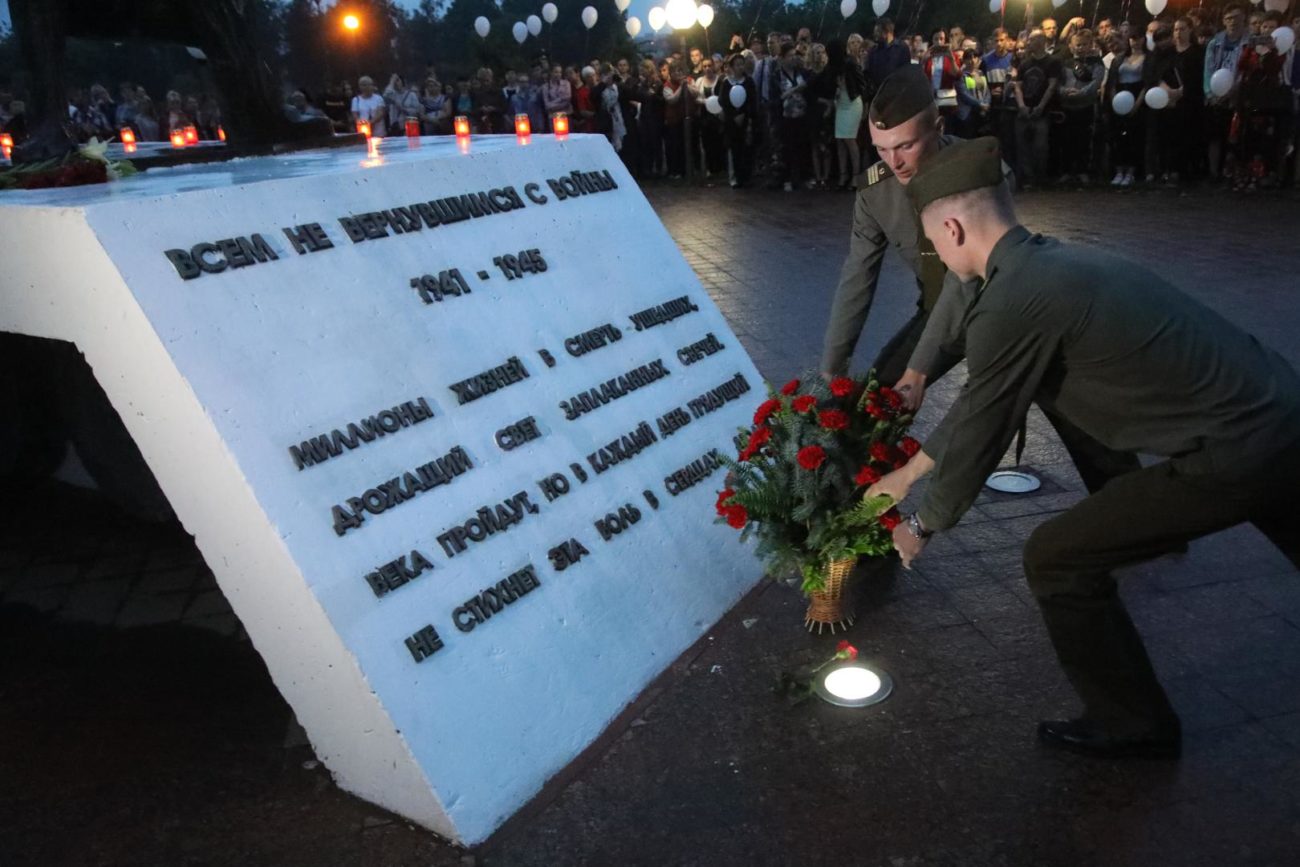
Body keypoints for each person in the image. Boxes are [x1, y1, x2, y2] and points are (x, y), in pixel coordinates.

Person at [867, 135, 1300, 760]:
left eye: (932, 240)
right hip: (1281, 410)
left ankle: (1131, 721)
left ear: (954, 228)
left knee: (1057, 558)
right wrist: (908, 474)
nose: (933, 251)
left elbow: (986, 421)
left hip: (1238, 448)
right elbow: (986, 397)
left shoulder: (1013, 301)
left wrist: (922, 523)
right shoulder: (1048, 265)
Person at [1204, 3, 1250, 180]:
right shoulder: (1214, 43)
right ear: (1224, 21)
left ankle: (1231, 172)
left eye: (1237, 18)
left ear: (1243, 19)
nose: (1233, 22)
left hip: (1238, 96)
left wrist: (1233, 91)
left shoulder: (1249, 42)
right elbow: (1208, 70)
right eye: (1230, 18)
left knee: (1235, 136)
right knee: (1214, 136)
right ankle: (1213, 172)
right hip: (1215, 96)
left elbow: (1246, 71)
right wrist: (1210, 93)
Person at [1013, 32, 1062, 188]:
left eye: (1032, 39)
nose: (1029, 42)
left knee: (1040, 147)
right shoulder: (1024, 64)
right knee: (1022, 146)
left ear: (1041, 41)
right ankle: (1028, 179)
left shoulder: (1052, 62)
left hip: (1042, 111)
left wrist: (1041, 106)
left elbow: (1052, 85)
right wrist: (1021, 105)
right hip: (1024, 110)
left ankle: (1040, 178)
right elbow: (1018, 87)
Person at [1058, 29, 1104, 184]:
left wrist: (1081, 93)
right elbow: (1058, 83)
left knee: (1084, 140)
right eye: (1077, 45)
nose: (1080, 48)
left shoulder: (1096, 63)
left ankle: (1083, 171)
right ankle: (1066, 171)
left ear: (1090, 45)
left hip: (1086, 106)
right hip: (1067, 106)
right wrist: (1065, 92)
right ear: (1071, 46)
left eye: (1084, 44)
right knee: (1066, 140)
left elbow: (1096, 82)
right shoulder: (1065, 63)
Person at [1104, 32, 1147, 186]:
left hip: (1137, 97)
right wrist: (1115, 101)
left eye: (1139, 38)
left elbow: (1147, 84)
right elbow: (1112, 83)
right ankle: (1118, 171)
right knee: (1118, 137)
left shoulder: (1147, 58)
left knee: (1134, 137)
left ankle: (1130, 172)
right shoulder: (1119, 59)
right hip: (1120, 97)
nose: (1135, 41)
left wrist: (1137, 104)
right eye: (1133, 38)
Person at [824, 40, 868, 189]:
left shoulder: (850, 63)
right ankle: (843, 175)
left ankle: (856, 176)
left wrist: (866, 105)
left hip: (852, 102)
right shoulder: (832, 67)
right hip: (840, 103)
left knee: (850, 139)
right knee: (840, 140)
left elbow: (862, 85)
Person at [719, 53, 759, 188]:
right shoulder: (726, 83)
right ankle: (734, 177)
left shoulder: (749, 82)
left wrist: (745, 115)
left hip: (746, 120)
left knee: (746, 149)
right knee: (733, 149)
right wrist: (733, 115)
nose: (740, 67)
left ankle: (746, 176)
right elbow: (723, 101)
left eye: (742, 64)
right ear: (731, 67)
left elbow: (752, 101)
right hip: (731, 122)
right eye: (737, 65)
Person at [954, 49, 991, 139]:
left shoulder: (981, 73)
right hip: (968, 113)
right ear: (964, 60)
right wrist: (980, 104)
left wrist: (987, 103)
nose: (972, 60)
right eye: (969, 58)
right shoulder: (961, 75)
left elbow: (986, 91)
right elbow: (964, 94)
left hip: (982, 112)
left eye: (975, 57)